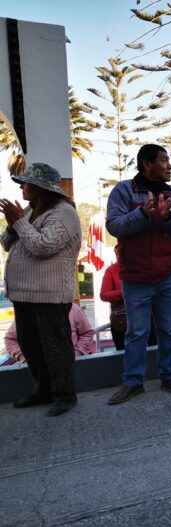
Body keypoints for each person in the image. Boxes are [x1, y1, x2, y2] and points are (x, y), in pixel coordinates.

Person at [105, 144, 171, 405]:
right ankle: (133, 382)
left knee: (169, 329)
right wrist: (142, 214)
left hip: (168, 274)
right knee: (136, 332)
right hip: (135, 277)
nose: (169, 166)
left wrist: (169, 219)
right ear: (146, 164)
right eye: (164, 160)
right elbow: (114, 226)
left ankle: (170, 375)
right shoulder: (124, 191)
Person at [0, 163, 82, 416]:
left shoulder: (64, 212)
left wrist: (19, 222)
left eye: (25, 183)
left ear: (39, 187)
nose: (22, 187)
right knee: (31, 347)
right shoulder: (31, 211)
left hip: (50, 295)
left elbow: (44, 246)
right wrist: (14, 223)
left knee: (55, 347)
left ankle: (64, 395)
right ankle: (43, 391)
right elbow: (5, 243)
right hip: (24, 295)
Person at [5, 303, 95, 362]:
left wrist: (77, 353)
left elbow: (87, 333)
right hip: (38, 372)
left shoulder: (73, 309)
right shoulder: (27, 311)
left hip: (70, 367)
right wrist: (23, 357)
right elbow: (10, 339)